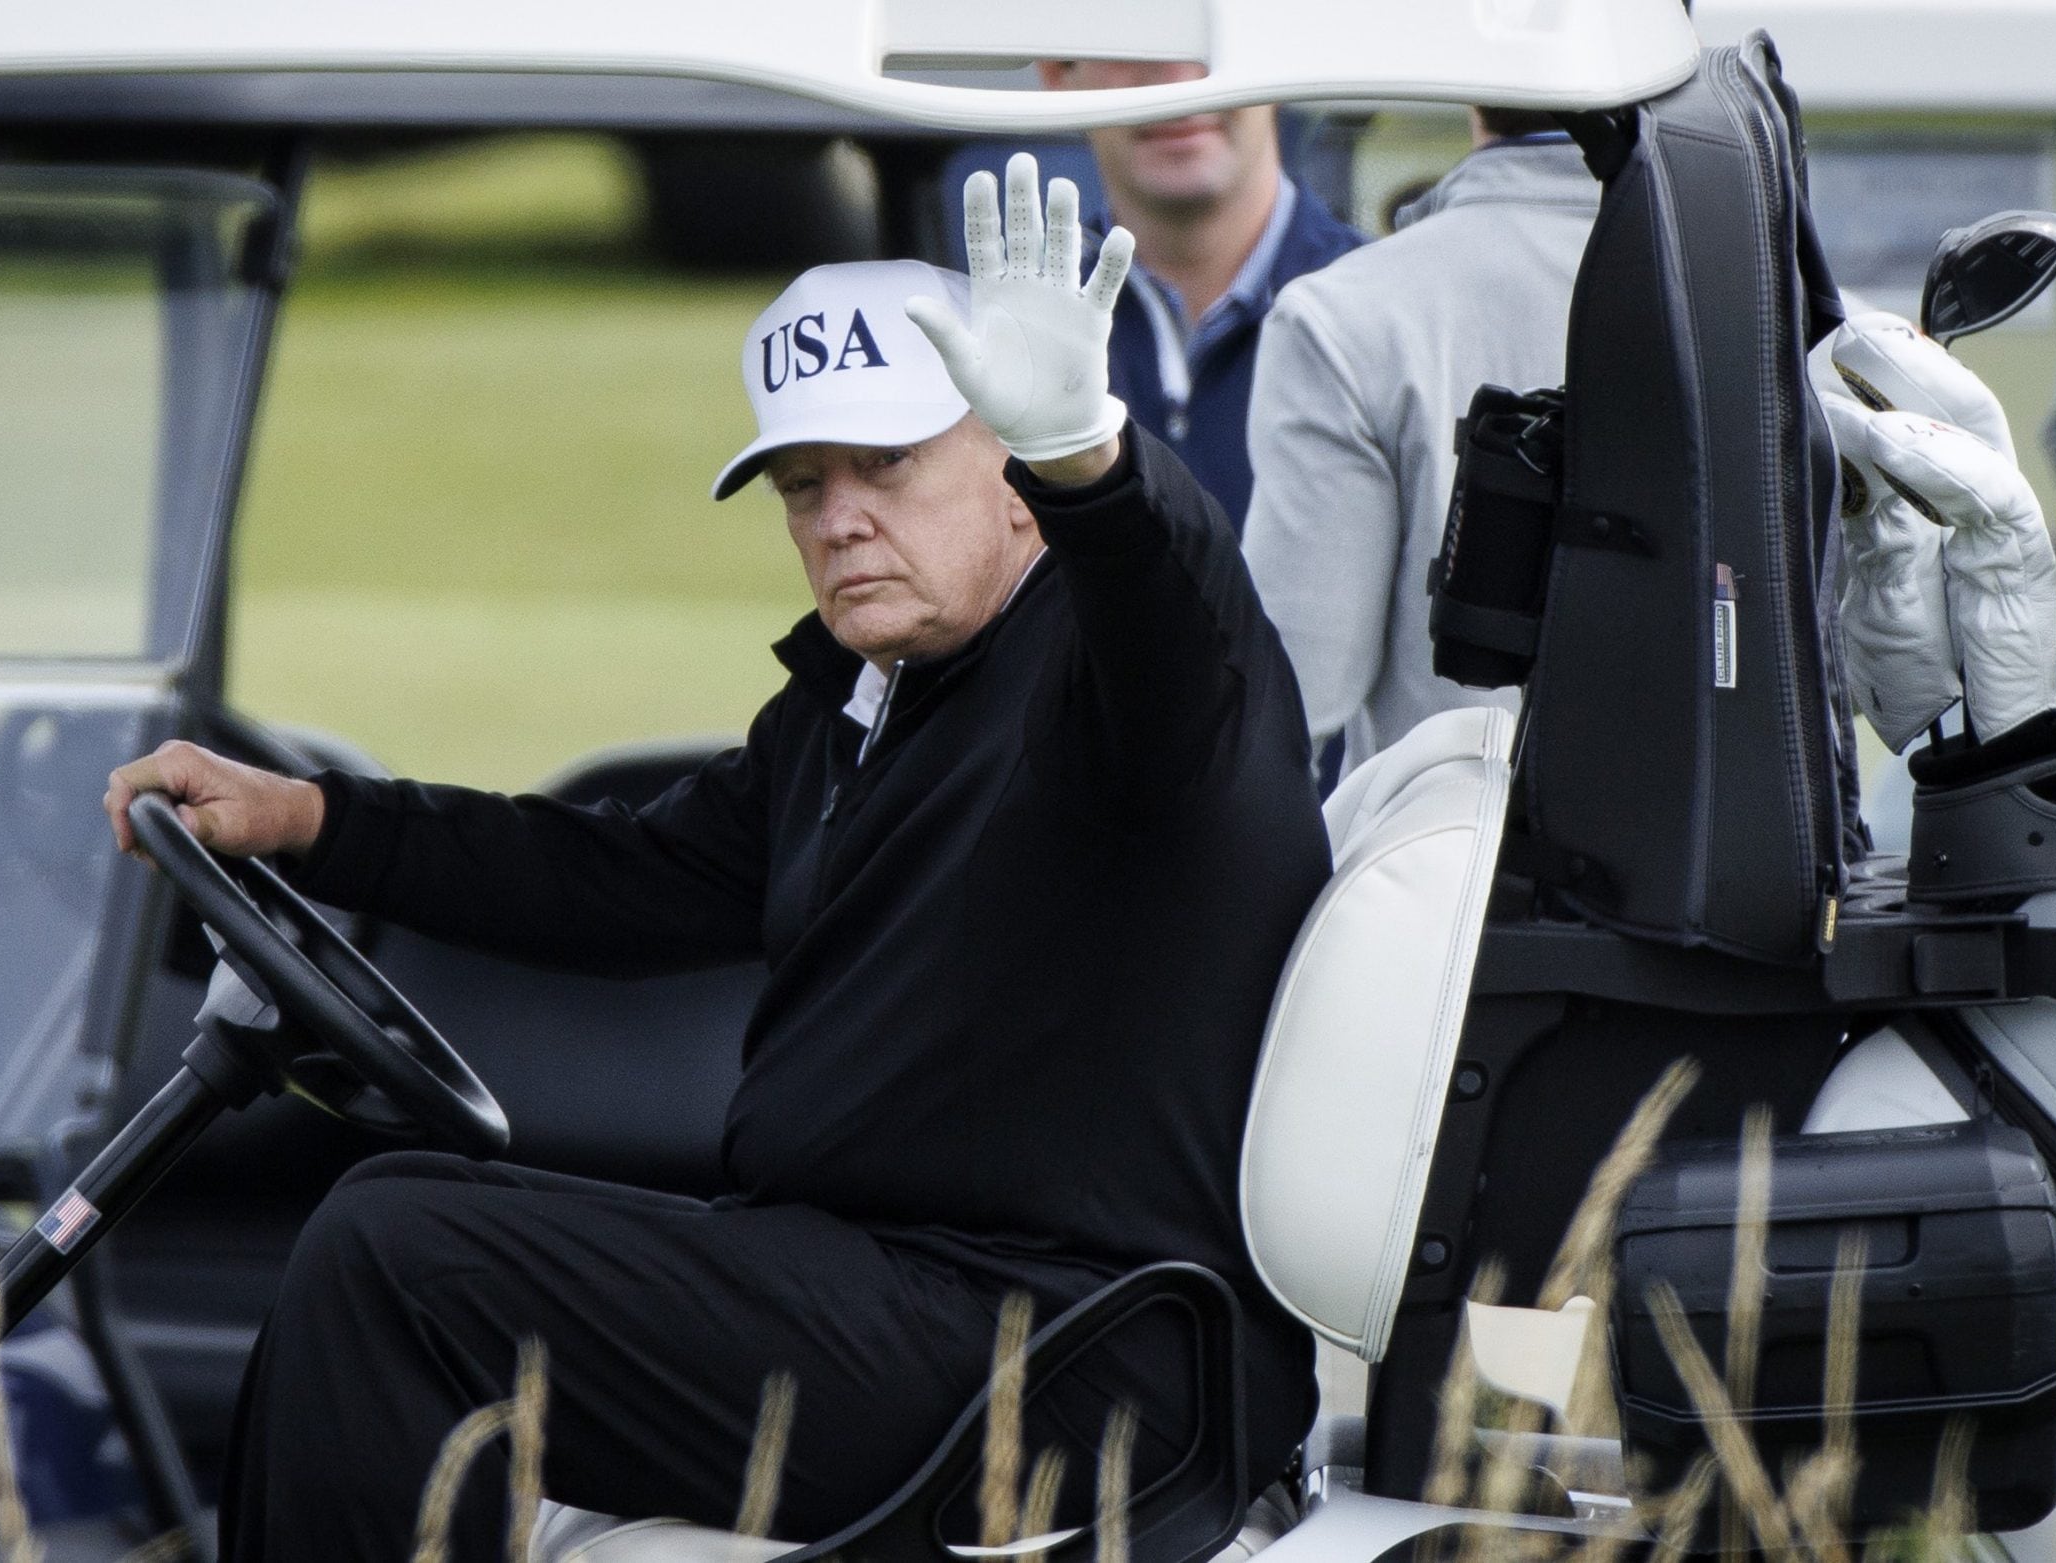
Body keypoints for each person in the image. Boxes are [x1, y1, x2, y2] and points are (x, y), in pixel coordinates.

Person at [105, 155, 1332, 1561]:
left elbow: (1175, 626)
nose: (836, 518)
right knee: (389, 1218)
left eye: (887, 463)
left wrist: (1094, 464)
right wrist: (314, 819)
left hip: (1074, 1354)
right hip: (897, 1300)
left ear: (1005, 473)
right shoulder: (862, 704)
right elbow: (614, 877)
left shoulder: (1125, 679)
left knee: (397, 1261)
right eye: (802, 485)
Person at [1239, 111, 1596, 778]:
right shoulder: (1800, 318)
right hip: (1759, 881)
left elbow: (1278, 726)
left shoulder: (1348, 319)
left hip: (1457, 875)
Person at [1023, 60, 1365, 529]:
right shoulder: (1017, 332)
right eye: (1136, 29)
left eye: (1213, 32)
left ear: (1286, 55)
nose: (1179, 81)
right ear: (1058, 72)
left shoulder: (1388, 315)